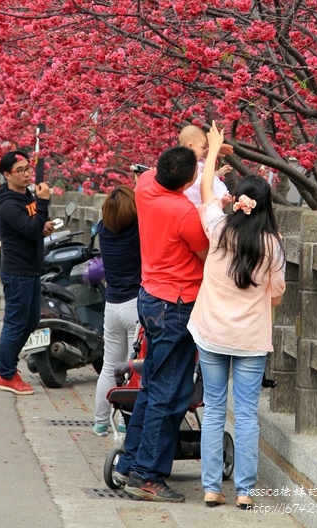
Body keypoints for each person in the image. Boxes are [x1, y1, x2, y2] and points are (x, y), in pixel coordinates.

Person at [188, 121, 286, 510]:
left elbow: (209, 191)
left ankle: (212, 488)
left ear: (238, 200)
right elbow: (276, 297)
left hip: (211, 332)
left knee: (213, 410)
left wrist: (211, 152)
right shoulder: (273, 247)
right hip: (249, 340)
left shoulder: (219, 229)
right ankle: (245, 491)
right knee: (246, 415)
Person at [113, 146, 209, 503]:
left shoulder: (144, 186)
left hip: (150, 296)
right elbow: (205, 252)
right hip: (176, 304)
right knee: (170, 394)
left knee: (153, 386)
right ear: (186, 182)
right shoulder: (184, 211)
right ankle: (148, 475)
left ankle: (130, 464)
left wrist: (202, 156)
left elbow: (158, 168)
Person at [0, 150, 54, 395]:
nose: (27, 173)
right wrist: (44, 204)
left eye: (28, 167)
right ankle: (5, 375)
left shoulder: (26, 195)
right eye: (21, 170)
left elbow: (33, 227)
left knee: (30, 321)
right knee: (16, 323)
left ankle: (4, 366)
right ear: (7, 174)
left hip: (30, 268)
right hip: (18, 271)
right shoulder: (7, 204)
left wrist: (43, 226)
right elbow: (29, 229)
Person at [92, 185, 141, 437]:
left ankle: (100, 422)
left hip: (111, 307)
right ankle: (125, 422)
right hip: (135, 307)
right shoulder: (138, 231)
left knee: (109, 366)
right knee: (133, 367)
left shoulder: (102, 230)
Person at [179, 124, 232, 207]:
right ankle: (218, 201)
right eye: (202, 148)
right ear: (190, 146)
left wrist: (219, 173)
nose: (203, 151)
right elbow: (203, 179)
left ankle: (220, 200)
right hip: (197, 196)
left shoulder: (199, 161)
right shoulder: (185, 164)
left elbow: (209, 175)